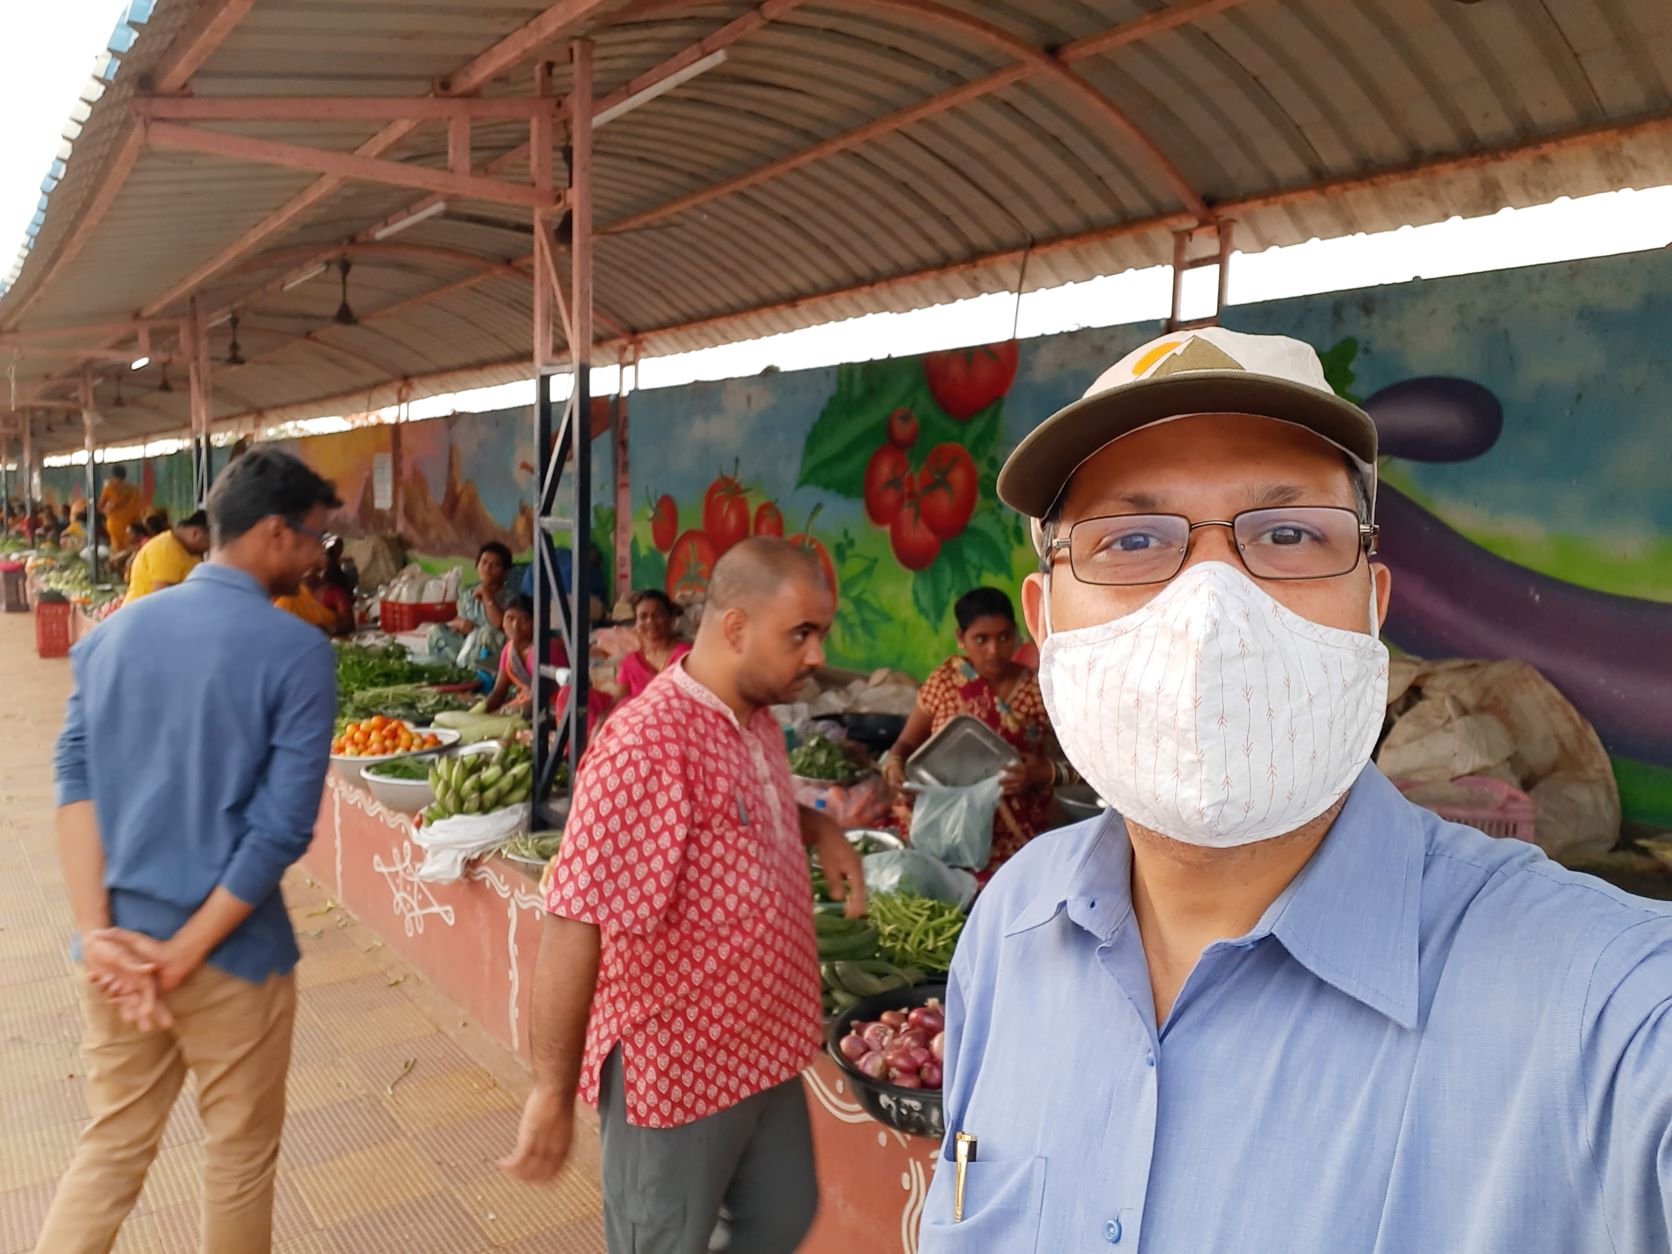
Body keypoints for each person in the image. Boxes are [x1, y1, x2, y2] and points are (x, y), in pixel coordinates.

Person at [920, 328, 1672, 1252]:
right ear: (1047, 621)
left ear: (1373, 604)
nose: (1210, 610)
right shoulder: (1010, 927)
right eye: (1130, 539)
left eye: (1286, 534)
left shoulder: (1599, 1003)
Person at [502, 537, 867, 1254]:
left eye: (820, 632)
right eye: (801, 633)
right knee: (661, 1243)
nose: (818, 654)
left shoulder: (755, 719)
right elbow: (575, 922)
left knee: (782, 1218)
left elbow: (737, 812)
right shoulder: (647, 747)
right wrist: (550, 1091)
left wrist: (814, 823)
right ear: (735, 627)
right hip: (676, 1077)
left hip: (765, 1051)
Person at [42, 447, 341, 1253]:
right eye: (315, 539)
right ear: (275, 533)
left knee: (109, 1151)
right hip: (233, 959)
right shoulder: (301, 654)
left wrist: (99, 932)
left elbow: (73, 777)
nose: (318, 558)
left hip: (118, 956)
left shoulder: (116, 634)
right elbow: (279, 832)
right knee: (238, 1164)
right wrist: (180, 958)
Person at [879, 586, 1069, 880]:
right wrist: (894, 765)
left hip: (1015, 824)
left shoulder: (1039, 689)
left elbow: (1086, 768)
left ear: (1017, 633)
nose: (994, 651)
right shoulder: (946, 680)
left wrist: (1044, 773)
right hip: (945, 816)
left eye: (1004, 637)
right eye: (981, 639)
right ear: (961, 638)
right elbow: (905, 742)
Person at [427, 540, 519, 684]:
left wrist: (486, 593)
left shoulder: (510, 598)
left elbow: (499, 624)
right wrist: (458, 623)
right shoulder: (467, 593)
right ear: (477, 565)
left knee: (486, 632)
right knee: (436, 631)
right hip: (466, 645)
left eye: (495, 565)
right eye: (484, 562)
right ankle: (447, 673)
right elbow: (458, 618)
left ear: (505, 573)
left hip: (492, 652)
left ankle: (474, 679)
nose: (487, 568)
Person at [602, 588, 692, 703]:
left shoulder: (685, 655)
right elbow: (618, 701)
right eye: (643, 616)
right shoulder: (630, 662)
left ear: (671, 619)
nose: (650, 621)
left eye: (658, 615)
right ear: (636, 623)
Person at [125, 510, 210, 602]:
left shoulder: (192, 553)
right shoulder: (165, 549)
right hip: (145, 613)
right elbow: (163, 600)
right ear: (195, 534)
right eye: (208, 543)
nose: (208, 549)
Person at [483, 596, 537, 714]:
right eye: (509, 618)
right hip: (523, 706)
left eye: (524, 620)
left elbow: (541, 696)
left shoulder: (545, 649)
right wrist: (481, 710)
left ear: (535, 623)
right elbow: (499, 692)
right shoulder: (508, 650)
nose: (515, 626)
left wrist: (508, 712)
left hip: (549, 709)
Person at [98, 465, 144, 551]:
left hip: (114, 524)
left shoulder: (110, 488)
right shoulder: (133, 489)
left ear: (112, 475)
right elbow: (138, 508)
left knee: (117, 548)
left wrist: (108, 509)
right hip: (131, 527)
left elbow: (100, 506)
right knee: (130, 548)